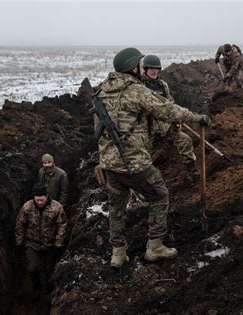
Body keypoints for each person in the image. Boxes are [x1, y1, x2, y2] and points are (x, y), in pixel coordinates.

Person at [96, 47, 211, 268]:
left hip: (109, 163)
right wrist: (198, 118)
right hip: (134, 163)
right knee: (159, 196)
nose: (143, 68)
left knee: (116, 207)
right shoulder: (135, 91)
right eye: (140, 65)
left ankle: (118, 254)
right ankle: (155, 247)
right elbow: (168, 110)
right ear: (133, 68)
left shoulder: (102, 92)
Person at [140, 54, 199, 182]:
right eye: (151, 69)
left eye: (157, 69)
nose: (154, 71)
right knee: (143, 158)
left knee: (185, 140)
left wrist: (176, 121)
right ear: (145, 69)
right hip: (146, 131)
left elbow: (170, 104)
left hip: (165, 128)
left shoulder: (163, 85)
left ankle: (192, 170)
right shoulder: (139, 86)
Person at [15, 183, 68, 297]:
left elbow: (62, 225)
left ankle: (50, 290)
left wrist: (59, 244)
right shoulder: (27, 207)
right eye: (37, 200)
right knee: (32, 268)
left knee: (50, 270)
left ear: (47, 196)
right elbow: (20, 224)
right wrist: (19, 242)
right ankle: (36, 286)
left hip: (49, 245)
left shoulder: (56, 207)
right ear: (33, 197)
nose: (40, 202)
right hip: (32, 244)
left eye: (42, 200)